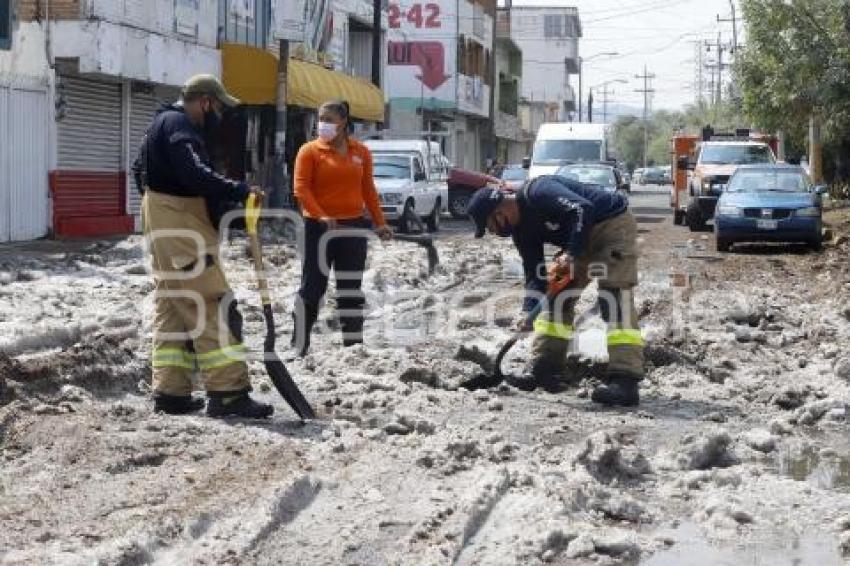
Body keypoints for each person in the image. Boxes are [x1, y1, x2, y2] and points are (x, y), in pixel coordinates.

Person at [134, 74, 273, 418]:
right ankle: (228, 392)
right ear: (206, 101)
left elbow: (140, 173)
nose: (220, 116)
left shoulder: (159, 124)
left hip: (164, 226)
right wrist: (238, 190)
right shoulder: (180, 125)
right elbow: (193, 173)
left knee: (173, 306)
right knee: (212, 303)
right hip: (181, 234)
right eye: (220, 108)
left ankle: (171, 392)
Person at [467, 175, 645, 406]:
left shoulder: (538, 192)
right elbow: (535, 275)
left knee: (613, 297)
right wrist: (527, 312)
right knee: (558, 296)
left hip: (611, 225)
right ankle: (545, 368)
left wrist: (571, 253)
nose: (493, 232)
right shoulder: (522, 233)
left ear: (498, 213)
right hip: (579, 237)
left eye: (489, 227)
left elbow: (583, 209)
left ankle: (625, 380)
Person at [291, 100, 393, 356]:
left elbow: (368, 190)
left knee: (350, 288)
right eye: (320, 119)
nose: (322, 125)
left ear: (343, 122)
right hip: (318, 229)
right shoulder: (310, 151)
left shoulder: (361, 152)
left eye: (328, 119)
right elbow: (301, 189)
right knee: (313, 287)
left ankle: (353, 347)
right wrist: (321, 215)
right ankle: (299, 345)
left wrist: (380, 223)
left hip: (352, 228)